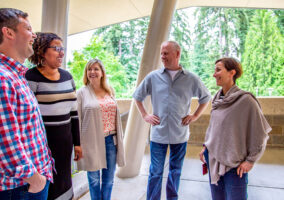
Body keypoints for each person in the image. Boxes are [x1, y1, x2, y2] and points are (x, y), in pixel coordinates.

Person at [0, 8, 53, 200]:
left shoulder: (15, 75)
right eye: (28, 29)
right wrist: (35, 179)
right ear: (9, 33)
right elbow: (4, 139)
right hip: (21, 187)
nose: (34, 35)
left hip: (30, 184)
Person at [133, 41, 211, 200]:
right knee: (155, 172)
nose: (162, 56)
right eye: (162, 53)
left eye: (166, 53)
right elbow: (137, 96)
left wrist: (194, 116)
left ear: (177, 54)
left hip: (180, 134)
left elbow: (206, 97)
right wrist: (145, 115)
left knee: (175, 171)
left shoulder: (191, 78)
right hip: (158, 134)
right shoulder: (153, 77)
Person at [199, 57, 271, 200]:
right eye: (214, 71)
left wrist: (250, 160)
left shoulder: (246, 101)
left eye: (218, 70)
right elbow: (213, 127)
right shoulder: (217, 99)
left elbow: (260, 134)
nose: (214, 74)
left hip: (234, 165)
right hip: (213, 159)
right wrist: (205, 147)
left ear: (232, 72)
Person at [25, 32, 82, 200]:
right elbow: (27, 118)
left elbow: (73, 113)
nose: (61, 53)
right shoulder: (30, 78)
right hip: (42, 147)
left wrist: (77, 143)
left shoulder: (67, 77)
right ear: (42, 51)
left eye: (62, 48)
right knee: (48, 188)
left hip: (66, 144)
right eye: (56, 48)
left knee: (65, 182)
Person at [77, 59, 125, 200]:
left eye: (96, 69)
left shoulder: (110, 91)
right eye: (89, 69)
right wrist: (77, 144)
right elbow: (78, 119)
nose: (92, 72)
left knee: (109, 180)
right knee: (94, 180)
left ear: (102, 72)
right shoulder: (81, 93)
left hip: (111, 141)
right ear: (86, 73)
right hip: (91, 142)